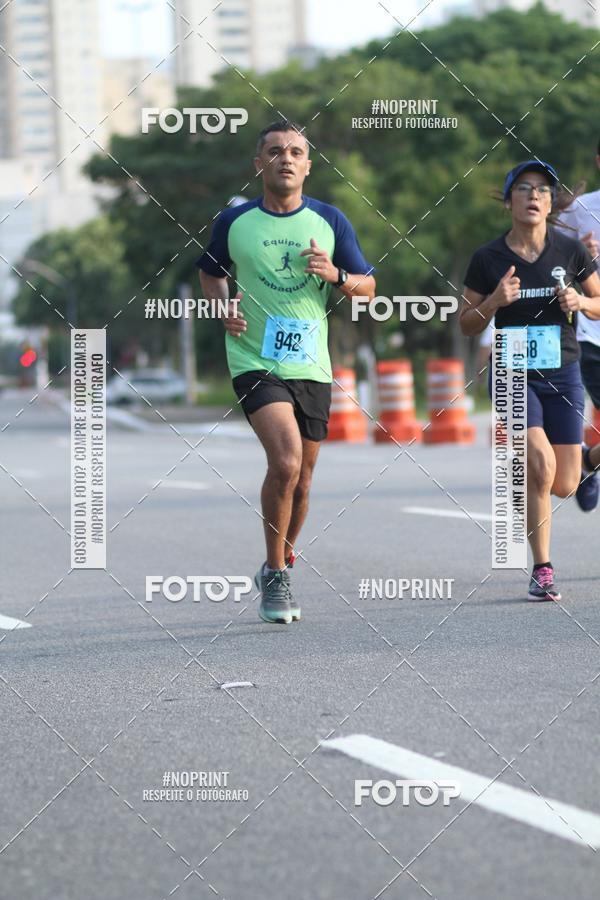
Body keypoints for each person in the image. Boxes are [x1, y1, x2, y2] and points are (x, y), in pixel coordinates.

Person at [197, 120, 376, 624]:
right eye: (275, 151)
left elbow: (368, 288)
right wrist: (221, 307)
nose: (286, 159)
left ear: (308, 165)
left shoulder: (329, 220)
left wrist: (335, 274)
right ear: (260, 164)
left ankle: (281, 558)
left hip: (312, 364)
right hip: (253, 358)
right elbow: (210, 272)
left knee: (303, 481)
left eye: (296, 152)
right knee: (286, 460)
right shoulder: (234, 222)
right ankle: (276, 576)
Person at [460, 160, 600, 601]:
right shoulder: (488, 258)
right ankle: (542, 569)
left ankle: (586, 461)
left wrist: (581, 301)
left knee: (564, 484)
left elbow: (599, 302)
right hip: (512, 370)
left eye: (542, 189)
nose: (534, 196)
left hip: (564, 371)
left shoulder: (571, 251)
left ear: (550, 203)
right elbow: (466, 323)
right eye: (523, 188)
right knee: (539, 465)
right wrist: (494, 302)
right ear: (509, 202)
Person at [556, 140, 600, 512]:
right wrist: (580, 255)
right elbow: (548, 264)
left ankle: (587, 461)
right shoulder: (580, 210)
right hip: (592, 333)